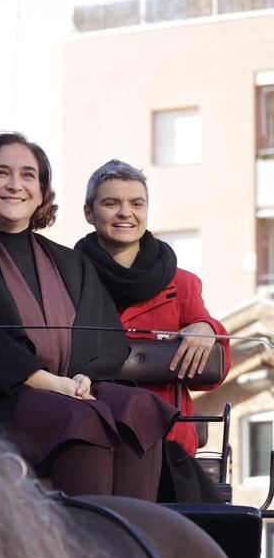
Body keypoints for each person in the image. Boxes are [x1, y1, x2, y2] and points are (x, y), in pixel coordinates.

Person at [0, 133, 176, 500]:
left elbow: (108, 335)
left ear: (41, 191)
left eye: (28, 175)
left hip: (75, 388)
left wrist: (84, 377)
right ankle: (84, 549)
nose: (15, 185)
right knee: (80, 417)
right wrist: (43, 380)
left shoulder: (71, 262)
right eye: (2, 173)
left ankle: (135, 543)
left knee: (138, 408)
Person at [74, 159, 231, 502]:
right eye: (111, 203)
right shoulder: (66, 277)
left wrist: (208, 328)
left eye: (136, 203)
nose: (124, 213)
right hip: (89, 438)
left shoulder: (182, 284)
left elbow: (211, 375)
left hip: (169, 444)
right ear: (89, 212)